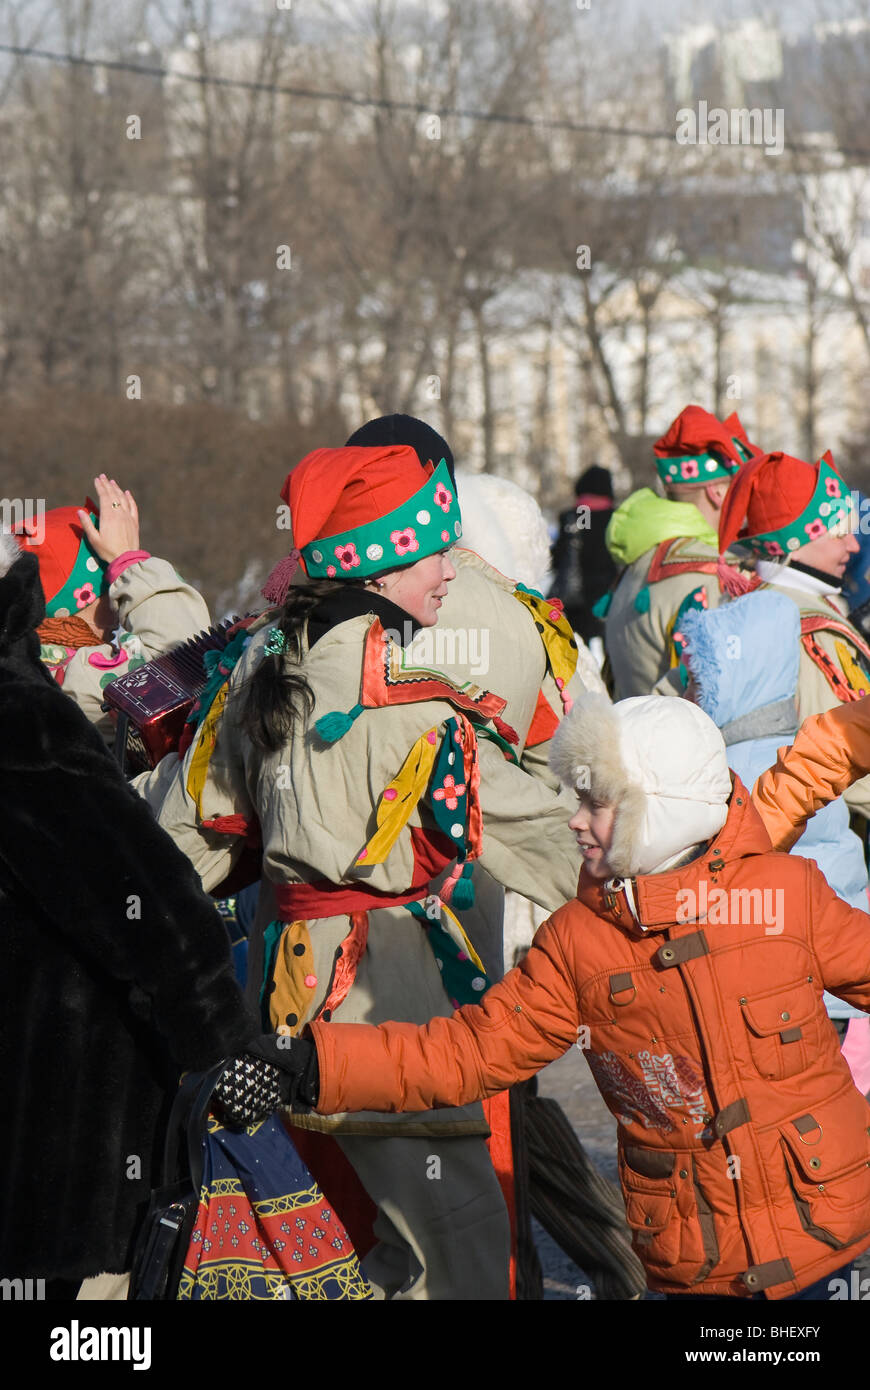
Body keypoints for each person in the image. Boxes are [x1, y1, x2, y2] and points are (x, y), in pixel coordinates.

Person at [138, 443, 584, 1300]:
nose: (450, 571)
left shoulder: (259, 671)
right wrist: (632, 886)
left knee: (331, 1241)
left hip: (278, 989)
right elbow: (535, 833)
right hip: (391, 997)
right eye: (431, 553)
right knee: (460, 1249)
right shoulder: (408, 697)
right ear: (379, 566)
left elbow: (188, 839)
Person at [283, 693, 870, 1300]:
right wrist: (312, 1063)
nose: (574, 819)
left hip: (832, 1242)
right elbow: (468, 1053)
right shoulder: (577, 940)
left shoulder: (786, 895)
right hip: (700, 1265)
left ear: (660, 813)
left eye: (596, 802)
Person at [0, 529, 290, 1298]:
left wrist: (218, 1047)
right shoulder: (21, 717)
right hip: (48, 1131)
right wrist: (223, 1049)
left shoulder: (24, 716)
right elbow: (153, 904)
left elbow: (143, 901)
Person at [680, 591, 870, 1090]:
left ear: (727, 684)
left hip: (784, 978)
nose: (688, 690)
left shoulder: (731, 774)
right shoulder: (796, 747)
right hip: (838, 971)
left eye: (699, 677)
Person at [717, 448, 870, 822]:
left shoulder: (750, 606)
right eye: (838, 533)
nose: (853, 545)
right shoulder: (810, 632)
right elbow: (842, 755)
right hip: (820, 844)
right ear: (793, 543)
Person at [14, 474, 210, 742]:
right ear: (69, 605)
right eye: (110, 588)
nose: (119, 603)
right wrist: (127, 561)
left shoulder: (25, 672)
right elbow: (188, 660)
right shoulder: (70, 678)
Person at [602, 406, 757, 698]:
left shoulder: (634, 562)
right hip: (694, 741)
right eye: (741, 489)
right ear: (718, 492)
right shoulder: (717, 576)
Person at [550, 465, 617, 651]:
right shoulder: (615, 518)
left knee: (577, 651)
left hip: (576, 596)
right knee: (611, 650)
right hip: (608, 594)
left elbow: (561, 555)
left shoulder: (579, 515)